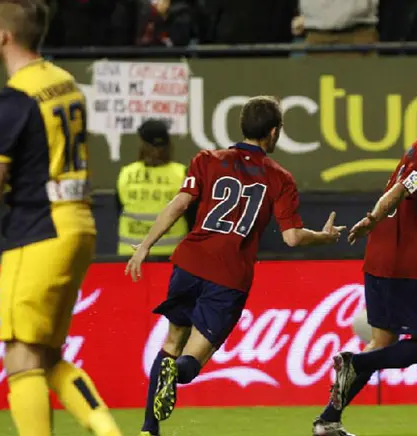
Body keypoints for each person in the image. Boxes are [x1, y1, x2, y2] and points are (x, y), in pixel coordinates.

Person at [0, 1, 123, 435]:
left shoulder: (12, 100)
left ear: (5, 35)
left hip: (39, 231)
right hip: (79, 226)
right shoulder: (65, 82)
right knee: (46, 357)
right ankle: (110, 431)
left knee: (20, 358)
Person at [125, 96, 345, 436]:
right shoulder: (279, 178)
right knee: (191, 361)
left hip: (189, 263)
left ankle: (148, 429)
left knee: (171, 343)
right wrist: (323, 236)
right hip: (229, 277)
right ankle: (177, 375)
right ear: (273, 133)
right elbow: (292, 238)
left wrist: (146, 246)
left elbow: (178, 204)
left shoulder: (207, 160)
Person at [313, 89, 417, 436]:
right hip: (407, 265)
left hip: (381, 258)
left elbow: (409, 196)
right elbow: (402, 190)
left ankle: (329, 420)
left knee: (383, 341)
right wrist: (373, 217)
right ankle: (353, 362)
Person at [116, 119, 192, 256]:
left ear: (142, 144)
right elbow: (193, 217)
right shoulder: (181, 173)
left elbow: (118, 208)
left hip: (132, 254)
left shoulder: (126, 173)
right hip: (172, 254)